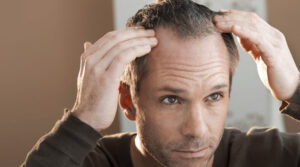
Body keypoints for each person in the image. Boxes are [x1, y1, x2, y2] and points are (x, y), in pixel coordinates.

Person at [21, 0, 300, 167]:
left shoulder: (267, 156)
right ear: (128, 102)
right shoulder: (88, 162)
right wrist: (85, 119)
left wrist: (295, 91)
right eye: (171, 99)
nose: (197, 130)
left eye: (214, 96)